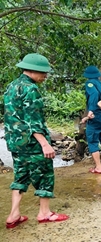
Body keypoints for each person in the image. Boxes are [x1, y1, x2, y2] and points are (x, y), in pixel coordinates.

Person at [4, 53, 69, 228]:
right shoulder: (30, 89)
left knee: (21, 174)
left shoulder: (12, 86)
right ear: (32, 70)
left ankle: (13, 215)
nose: (45, 76)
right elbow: (33, 120)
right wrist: (45, 143)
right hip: (32, 142)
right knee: (45, 173)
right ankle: (45, 213)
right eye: (43, 72)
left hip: (15, 141)